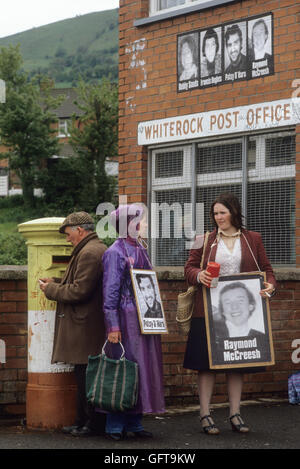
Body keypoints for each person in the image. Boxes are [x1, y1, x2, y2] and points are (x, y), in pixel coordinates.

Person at [183, 193, 276, 435]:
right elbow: (189, 268)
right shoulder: (202, 239)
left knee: (237, 363)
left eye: (222, 212)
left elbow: (267, 270)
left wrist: (270, 287)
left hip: (242, 312)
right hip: (207, 311)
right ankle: (205, 415)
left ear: (234, 212)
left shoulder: (253, 238)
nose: (218, 217)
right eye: (215, 213)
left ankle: (235, 413)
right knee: (206, 365)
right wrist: (199, 275)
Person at [39, 211, 107, 437]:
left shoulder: (89, 252)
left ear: (80, 230)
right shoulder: (90, 249)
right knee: (83, 374)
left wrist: (50, 289)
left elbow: (80, 291)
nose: (67, 239)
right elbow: (78, 282)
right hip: (85, 324)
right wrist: (57, 281)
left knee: (88, 376)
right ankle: (82, 421)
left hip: (85, 325)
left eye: (68, 234)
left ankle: (91, 424)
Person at [102, 204, 165, 441]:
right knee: (123, 367)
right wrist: (113, 326)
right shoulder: (115, 252)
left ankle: (135, 421)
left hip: (145, 316)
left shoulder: (139, 248)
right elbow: (110, 292)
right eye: (143, 220)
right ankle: (115, 425)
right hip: (126, 317)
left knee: (142, 367)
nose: (146, 224)